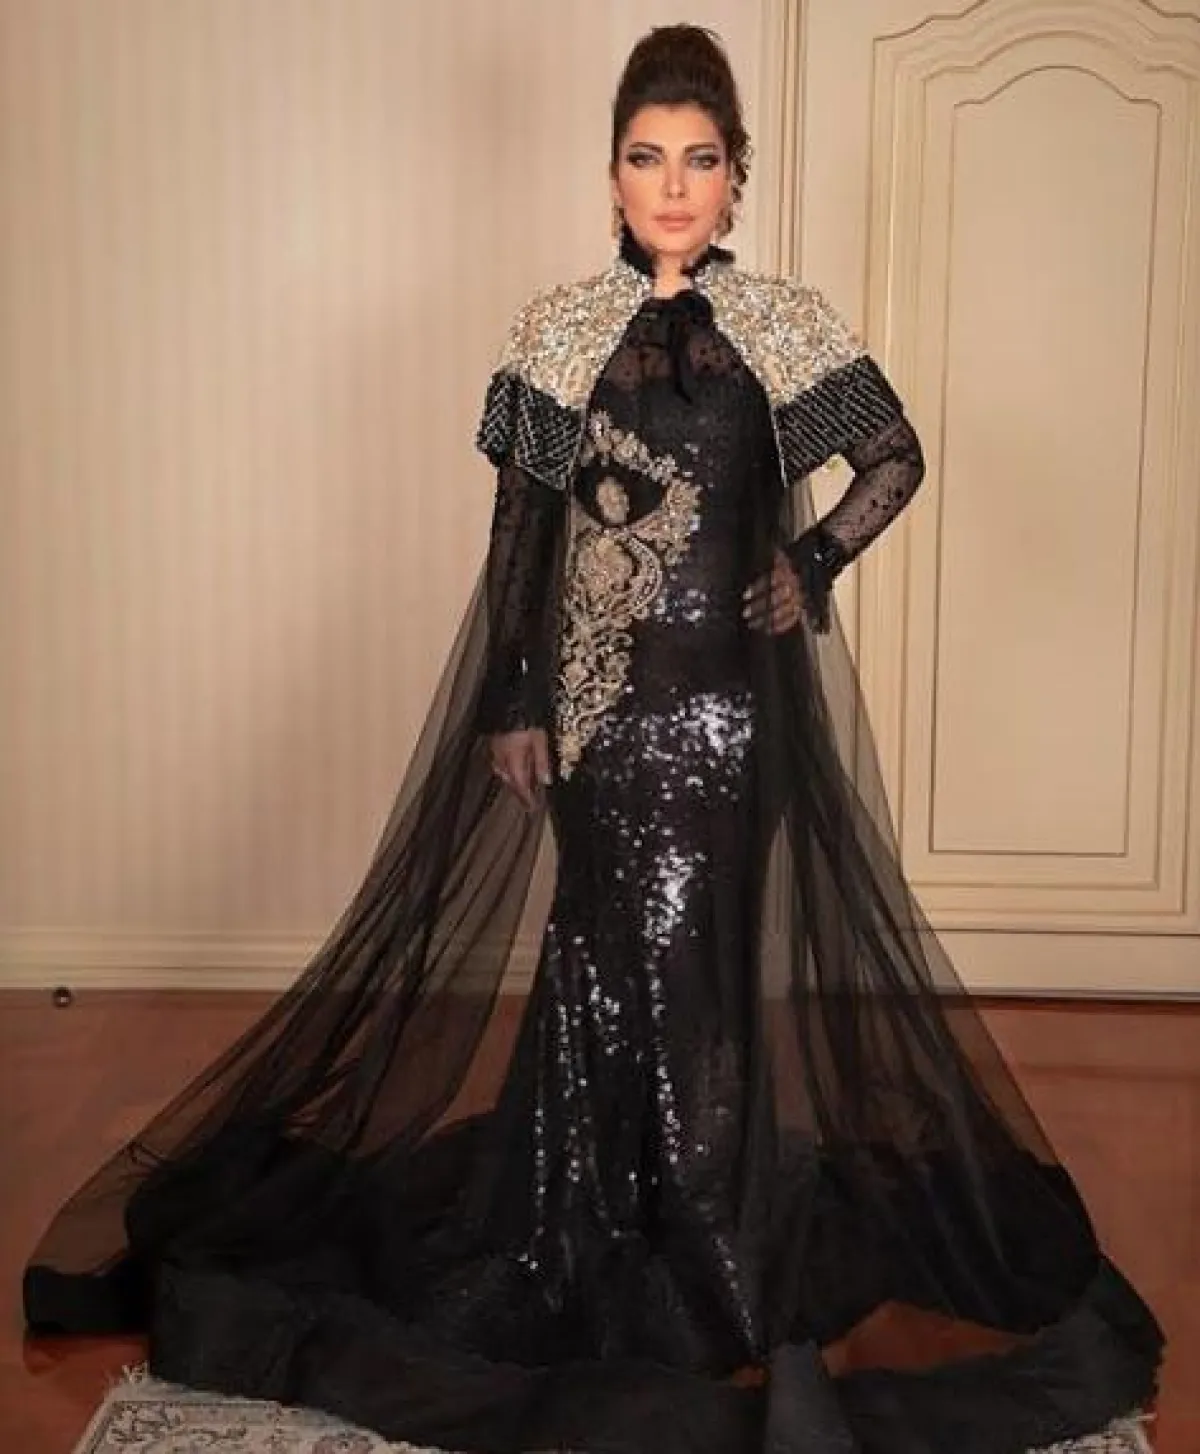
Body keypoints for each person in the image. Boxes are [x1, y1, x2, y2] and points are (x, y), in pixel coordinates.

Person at [24, 24, 1163, 1454]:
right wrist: (515, 696)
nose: (673, 184)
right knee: (598, 953)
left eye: (700, 159)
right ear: (611, 174)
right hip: (598, 711)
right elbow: (519, 537)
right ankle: (582, 1205)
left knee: (702, 966)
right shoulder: (557, 331)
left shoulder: (785, 325)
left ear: (739, 177)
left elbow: (895, 455)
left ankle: (708, 1230)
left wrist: (811, 562)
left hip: (731, 713)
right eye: (646, 157)